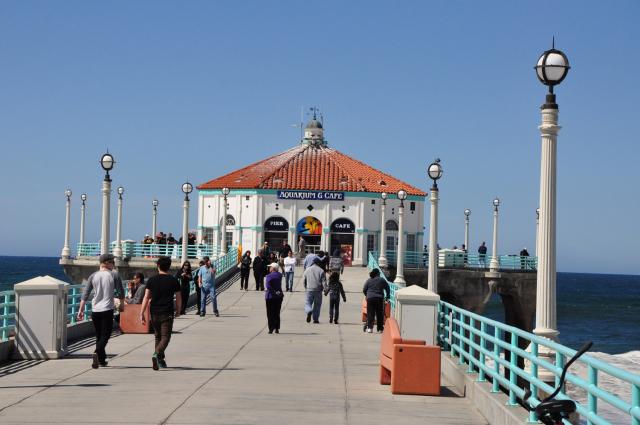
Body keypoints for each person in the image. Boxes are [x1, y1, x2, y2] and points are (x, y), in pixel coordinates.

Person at [78, 253, 125, 368]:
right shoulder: (114, 275)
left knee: (99, 335)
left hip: (95, 309)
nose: (114, 264)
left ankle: (101, 360)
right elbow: (121, 292)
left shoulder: (93, 276)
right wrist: (122, 304)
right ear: (107, 263)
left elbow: (86, 294)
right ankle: (97, 351)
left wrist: (81, 310)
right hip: (107, 309)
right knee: (106, 334)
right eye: (113, 262)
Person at [140, 256, 182, 370]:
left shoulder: (151, 280)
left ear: (158, 266)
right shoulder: (173, 280)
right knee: (165, 337)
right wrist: (178, 310)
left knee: (158, 336)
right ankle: (157, 354)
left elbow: (146, 297)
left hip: (154, 312)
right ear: (169, 267)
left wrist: (142, 312)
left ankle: (160, 360)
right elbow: (178, 297)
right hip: (167, 312)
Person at [363, 268, 390, 333]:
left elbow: (364, 289)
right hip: (379, 298)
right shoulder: (382, 280)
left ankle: (370, 328)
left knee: (370, 313)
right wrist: (387, 297)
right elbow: (387, 288)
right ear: (378, 273)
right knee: (379, 314)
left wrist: (367, 295)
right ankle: (380, 329)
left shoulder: (369, 280)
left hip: (370, 298)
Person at [303, 257, 327, 323]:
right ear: (318, 263)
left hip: (309, 289)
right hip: (318, 290)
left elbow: (304, 280)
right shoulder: (321, 271)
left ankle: (309, 311)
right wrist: (325, 290)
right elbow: (324, 282)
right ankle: (315, 319)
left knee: (308, 303)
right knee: (317, 305)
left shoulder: (307, 270)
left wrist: (306, 287)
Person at [265, 263, 284, 334]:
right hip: (279, 296)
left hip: (270, 296)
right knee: (277, 312)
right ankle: (277, 328)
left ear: (273, 268)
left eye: (270, 267)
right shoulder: (279, 275)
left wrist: (274, 292)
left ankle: (271, 328)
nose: (269, 268)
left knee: (270, 313)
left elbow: (268, 286)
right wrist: (277, 292)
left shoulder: (269, 276)